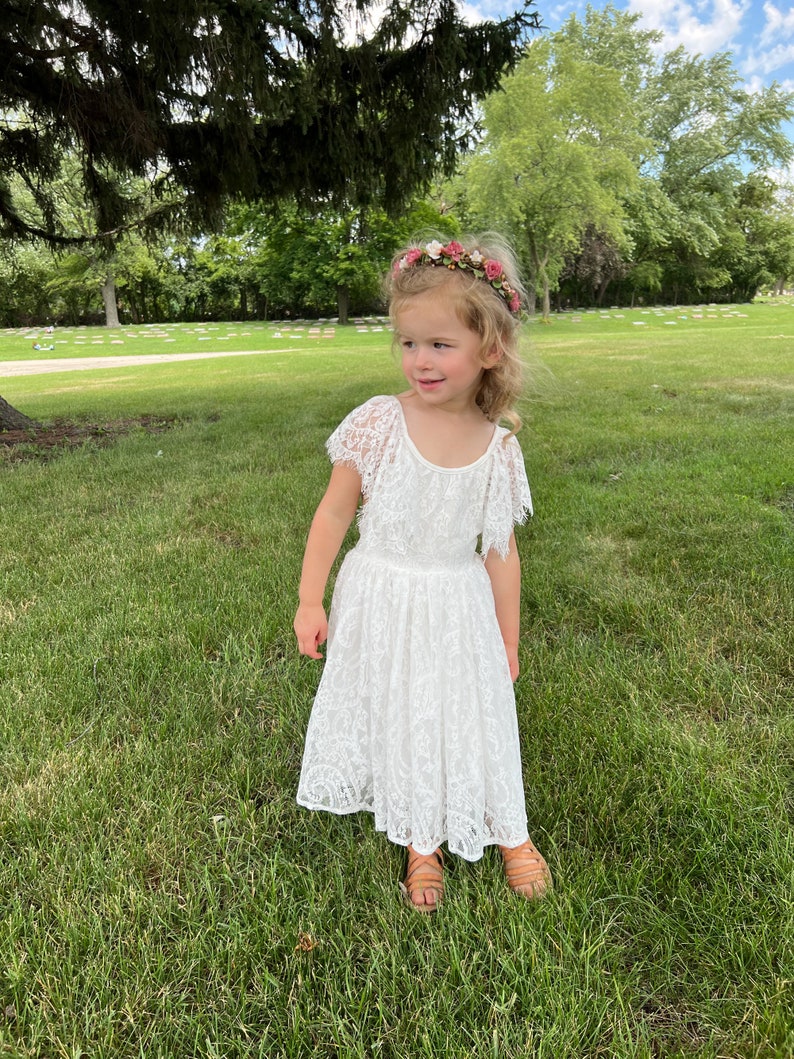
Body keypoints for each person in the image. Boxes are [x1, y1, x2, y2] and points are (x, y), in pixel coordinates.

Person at [293, 237, 551, 912]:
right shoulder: (379, 423)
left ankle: (508, 828)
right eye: (407, 344)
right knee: (405, 709)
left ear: (489, 348)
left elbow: (501, 551)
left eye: (439, 344)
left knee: (472, 710)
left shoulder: (498, 448)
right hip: (383, 592)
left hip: (456, 599)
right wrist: (308, 598)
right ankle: (421, 841)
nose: (420, 361)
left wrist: (509, 638)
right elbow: (331, 513)